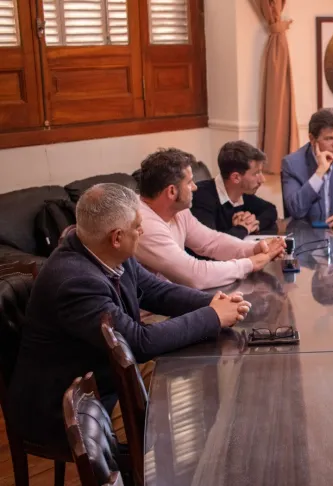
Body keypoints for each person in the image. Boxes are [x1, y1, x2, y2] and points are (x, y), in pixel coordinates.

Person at [6, 183, 251, 450]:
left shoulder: (103, 250)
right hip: (69, 407)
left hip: (102, 375)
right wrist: (212, 316)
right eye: (137, 226)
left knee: (187, 373)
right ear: (116, 237)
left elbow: (155, 290)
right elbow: (137, 343)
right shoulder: (75, 281)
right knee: (174, 416)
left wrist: (213, 302)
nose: (142, 231)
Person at [136, 148, 285, 290]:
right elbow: (195, 275)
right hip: (151, 307)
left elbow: (211, 241)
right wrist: (251, 263)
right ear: (172, 191)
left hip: (174, 296)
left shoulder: (178, 211)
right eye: (189, 182)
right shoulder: (143, 224)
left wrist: (253, 248)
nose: (195, 187)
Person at [191, 140, 278, 238]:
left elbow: (270, 210)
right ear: (236, 178)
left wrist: (253, 223)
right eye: (256, 173)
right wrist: (243, 228)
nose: (262, 180)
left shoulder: (242, 193)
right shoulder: (200, 198)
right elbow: (211, 242)